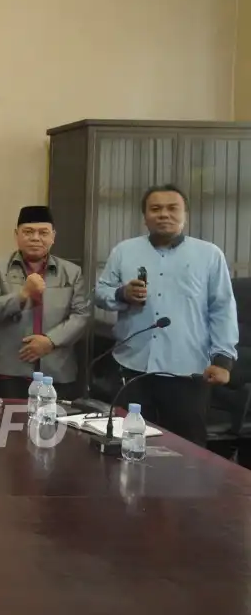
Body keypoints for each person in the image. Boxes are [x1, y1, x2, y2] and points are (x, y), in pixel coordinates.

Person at [94, 184, 238, 446]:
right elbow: (100, 293)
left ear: (185, 215)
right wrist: (122, 294)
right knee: (128, 444)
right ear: (145, 216)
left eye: (172, 208)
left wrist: (223, 360)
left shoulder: (209, 255)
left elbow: (223, 309)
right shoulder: (124, 251)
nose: (163, 214)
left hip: (187, 370)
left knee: (187, 449)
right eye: (155, 209)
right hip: (132, 366)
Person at [0, 206, 90, 400]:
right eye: (28, 232)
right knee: (6, 421)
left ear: (53, 236)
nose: (35, 238)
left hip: (56, 370)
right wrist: (23, 295)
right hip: (8, 371)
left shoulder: (72, 272)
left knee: (55, 421)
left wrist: (50, 341)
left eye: (43, 233)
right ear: (17, 235)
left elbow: (81, 316)